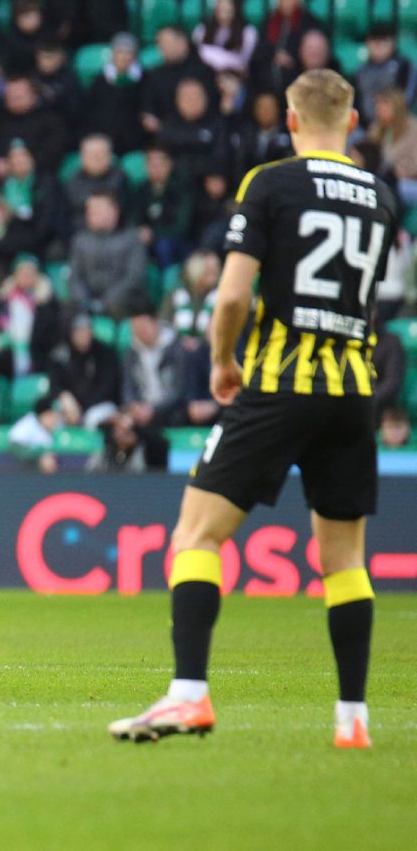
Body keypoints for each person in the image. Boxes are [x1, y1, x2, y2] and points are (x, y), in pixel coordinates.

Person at [109, 70, 400, 750]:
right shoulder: (383, 195)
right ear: (352, 120)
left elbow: (235, 293)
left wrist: (221, 357)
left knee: (195, 536)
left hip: (280, 382)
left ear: (292, 123)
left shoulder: (271, 182)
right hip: (353, 389)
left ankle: (188, 696)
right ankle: (352, 717)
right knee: (345, 560)